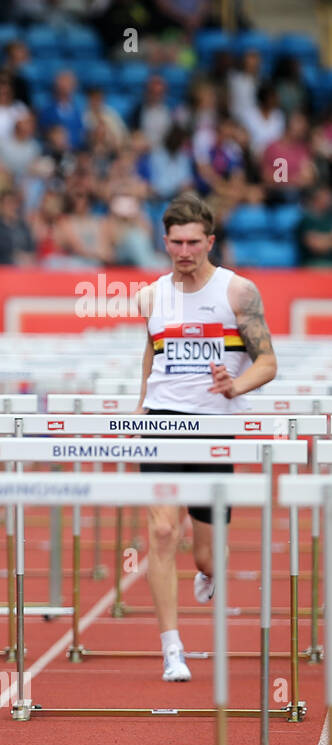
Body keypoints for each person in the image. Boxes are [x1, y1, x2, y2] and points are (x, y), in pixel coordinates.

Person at [134, 192, 277, 682]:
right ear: (165, 241)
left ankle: (208, 571)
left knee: (207, 553)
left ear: (210, 241)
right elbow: (153, 354)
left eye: (194, 242)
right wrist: (140, 406)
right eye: (175, 242)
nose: (184, 251)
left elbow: (268, 362)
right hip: (160, 423)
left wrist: (234, 385)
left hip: (215, 428)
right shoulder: (151, 295)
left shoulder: (239, 293)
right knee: (161, 531)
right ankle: (172, 647)